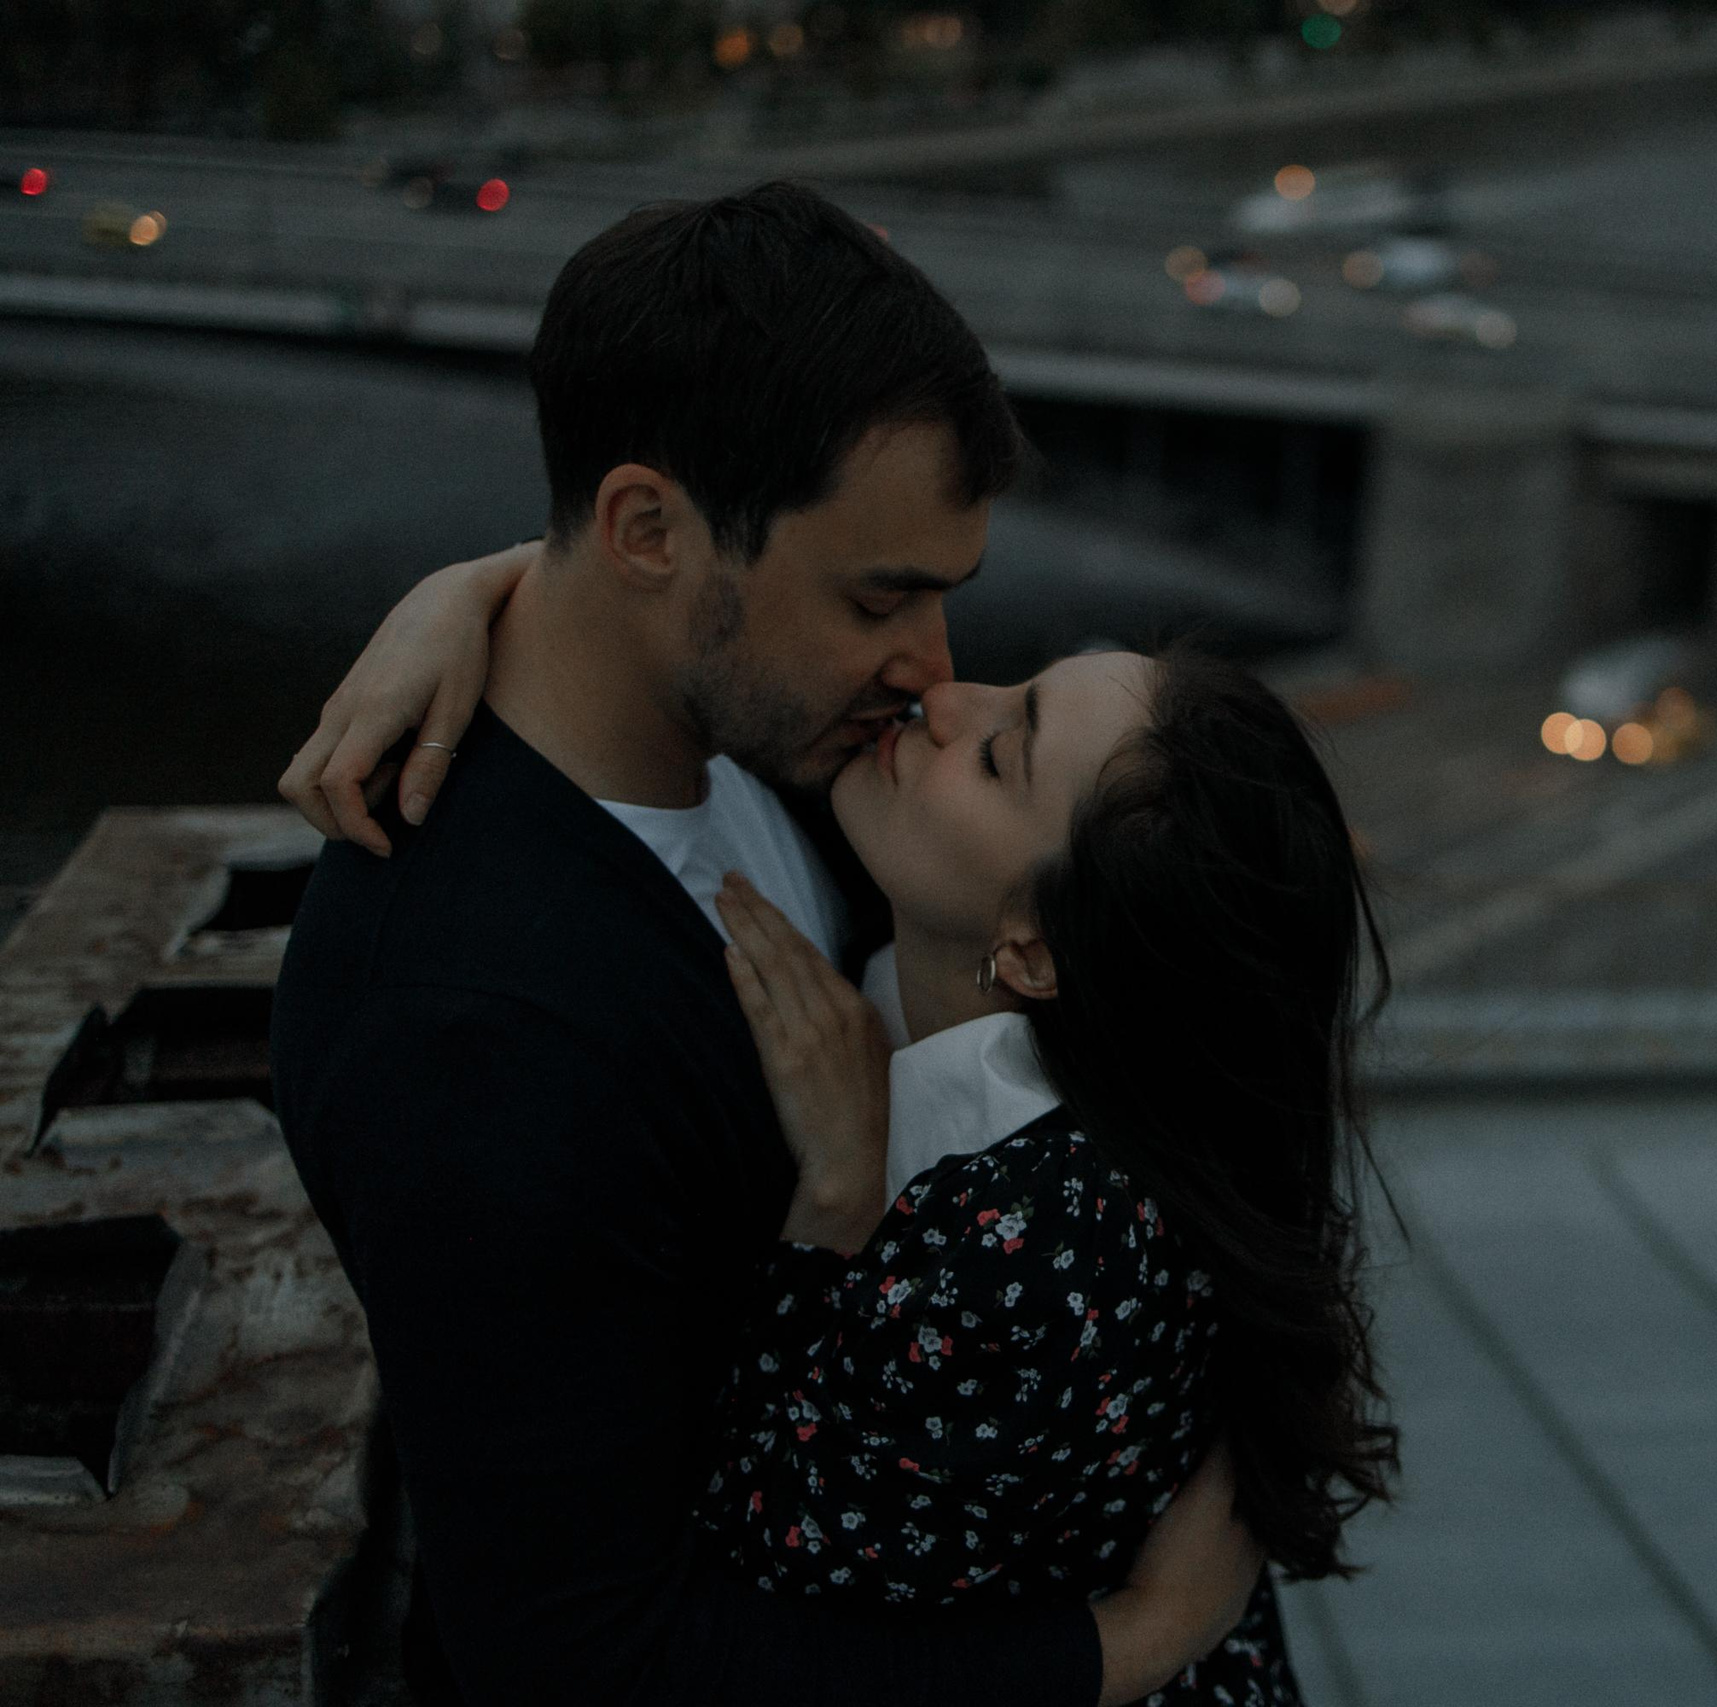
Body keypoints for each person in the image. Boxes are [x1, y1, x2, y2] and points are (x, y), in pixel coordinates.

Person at [270, 182, 1271, 1706]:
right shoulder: (476, 1028)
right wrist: (1115, 1646)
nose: (935, 672)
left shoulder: (770, 739)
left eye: (945, 593)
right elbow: (581, 1661)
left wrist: (490, 582)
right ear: (650, 529)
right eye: (883, 594)